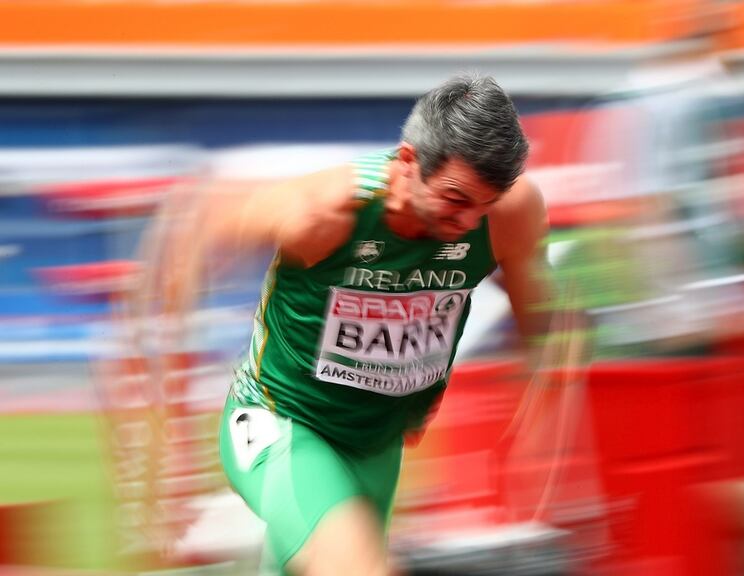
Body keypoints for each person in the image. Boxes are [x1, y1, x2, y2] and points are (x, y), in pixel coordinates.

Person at [144, 74, 552, 575]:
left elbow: (542, 317)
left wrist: (543, 390)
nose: (469, 221)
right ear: (408, 162)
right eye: (455, 198)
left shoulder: (509, 215)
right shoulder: (324, 213)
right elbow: (194, 224)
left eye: (485, 205)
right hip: (284, 425)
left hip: (375, 446)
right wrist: (169, 440)